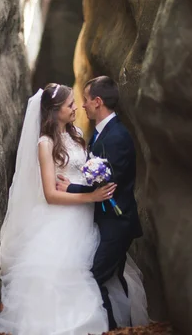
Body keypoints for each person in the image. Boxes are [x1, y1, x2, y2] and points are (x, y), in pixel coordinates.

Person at [0, 83, 147, 335]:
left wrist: (91, 187)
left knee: (93, 273)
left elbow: (84, 175)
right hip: (63, 220)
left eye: (77, 102)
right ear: (55, 111)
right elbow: (51, 194)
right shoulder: (45, 143)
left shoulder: (76, 133)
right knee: (64, 276)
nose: (76, 107)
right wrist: (91, 196)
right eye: (70, 105)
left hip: (87, 219)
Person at [57, 76, 143, 330]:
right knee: (107, 280)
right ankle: (118, 325)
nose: (82, 106)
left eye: (85, 100)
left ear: (98, 101)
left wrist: (70, 187)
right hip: (106, 221)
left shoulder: (117, 136)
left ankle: (108, 327)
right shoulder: (101, 132)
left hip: (118, 223)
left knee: (91, 278)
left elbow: (105, 185)